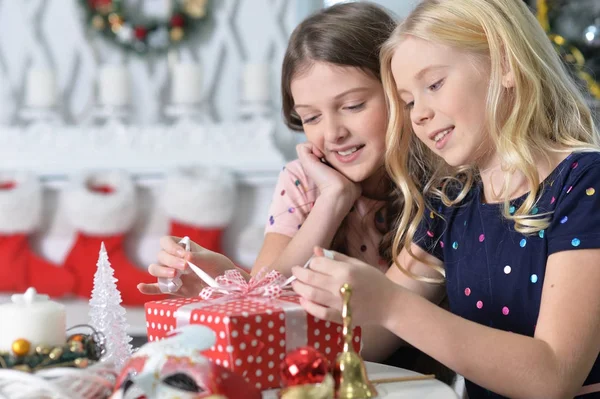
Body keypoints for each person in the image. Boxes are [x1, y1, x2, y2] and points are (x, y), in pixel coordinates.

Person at [290, 0, 600, 398]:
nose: (417, 115)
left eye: (433, 84)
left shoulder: (584, 185)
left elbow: (553, 375)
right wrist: (226, 295)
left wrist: (390, 304)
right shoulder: (452, 202)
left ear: (505, 64)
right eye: (408, 101)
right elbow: (374, 338)